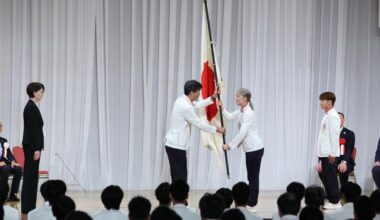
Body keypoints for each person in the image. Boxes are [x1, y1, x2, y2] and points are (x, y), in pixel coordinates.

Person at [165, 80, 225, 182]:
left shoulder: (181, 100)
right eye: (198, 92)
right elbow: (199, 124)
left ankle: (178, 197)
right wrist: (217, 129)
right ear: (192, 92)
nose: (199, 94)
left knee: (177, 175)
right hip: (176, 145)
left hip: (172, 144)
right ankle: (180, 197)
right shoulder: (186, 106)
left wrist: (213, 98)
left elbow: (197, 105)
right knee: (180, 176)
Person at [220, 88, 264, 211]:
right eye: (236, 96)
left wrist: (230, 145)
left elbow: (242, 133)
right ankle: (250, 201)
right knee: (252, 177)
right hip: (251, 149)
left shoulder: (248, 113)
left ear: (245, 98)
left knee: (253, 177)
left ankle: (252, 204)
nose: (236, 98)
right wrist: (222, 107)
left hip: (255, 149)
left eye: (238, 96)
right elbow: (229, 116)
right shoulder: (241, 110)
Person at [21, 82, 45, 214]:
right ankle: (28, 207)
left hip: (32, 146)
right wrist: (36, 148)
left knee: (32, 176)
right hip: (32, 146)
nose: (42, 94)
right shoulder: (30, 107)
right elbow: (33, 130)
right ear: (34, 92)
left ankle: (30, 205)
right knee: (30, 176)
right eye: (41, 91)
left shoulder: (32, 106)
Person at [316, 92, 341, 210]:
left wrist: (333, 153)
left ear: (330, 102)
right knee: (325, 177)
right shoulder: (326, 115)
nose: (321, 103)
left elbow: (335, 136)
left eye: (323, 100)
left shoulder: (333, 116)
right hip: (324, 153)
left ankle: (335, 201)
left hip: (330, 153)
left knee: (330, 177)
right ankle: (331, 198)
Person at [0, 122, 22, 202]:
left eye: (1, 126)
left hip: (4, 164)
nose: (1, 128)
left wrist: (12, 161)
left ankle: (13, 194)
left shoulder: (3, 140)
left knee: (18, 169)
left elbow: (9, 153)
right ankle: (2, 194)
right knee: (5, 169)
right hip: (2, 165)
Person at [337, 112, 356, 185]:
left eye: (340, 118)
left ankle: (343, 191)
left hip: (346, 160)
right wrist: (321, 162)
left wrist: (344, 162)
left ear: (343, 120)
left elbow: (349, 149)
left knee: (343, 168)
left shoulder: (349, 133)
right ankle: (330, 189)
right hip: (332, 161)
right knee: (322, 169)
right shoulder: (329, 133)